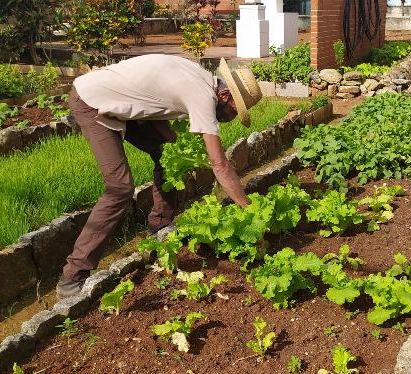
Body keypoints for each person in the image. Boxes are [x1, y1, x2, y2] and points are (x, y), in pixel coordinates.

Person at [56, 55, 263, 299]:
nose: (231, 118)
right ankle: (73, 275)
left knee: (169, 155)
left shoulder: (201, 77)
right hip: (92, 101)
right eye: (233, 112)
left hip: (121, 99)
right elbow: (220, 164)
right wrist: (247, 208)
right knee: (120, 188)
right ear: (225, 96)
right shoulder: (202, 95)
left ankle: (160, 227)